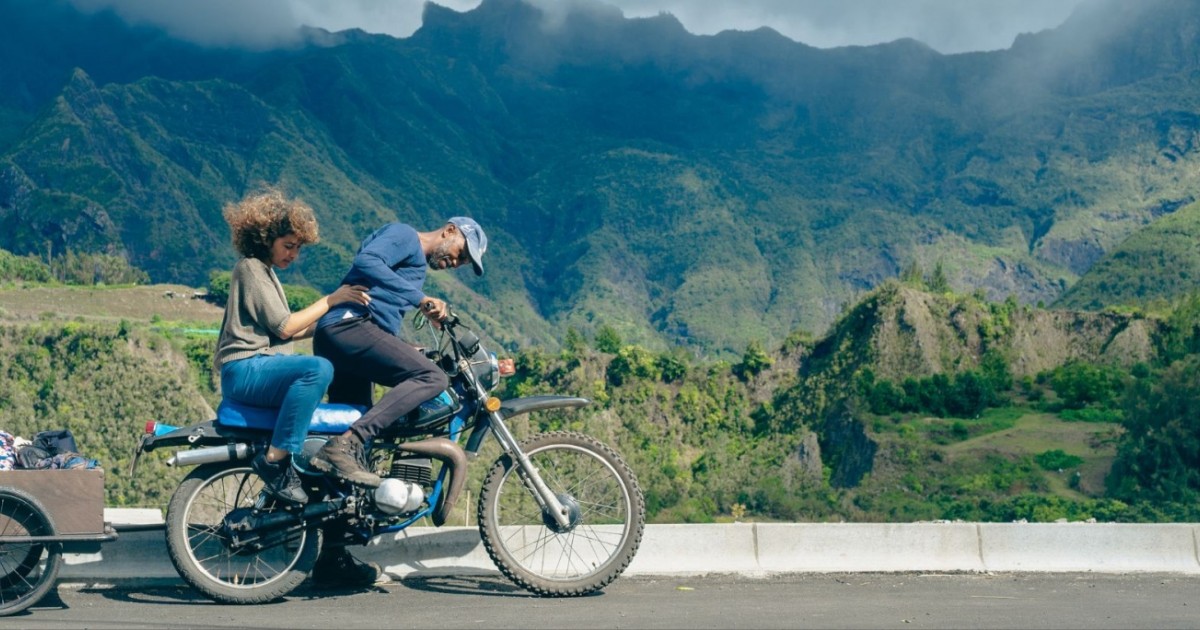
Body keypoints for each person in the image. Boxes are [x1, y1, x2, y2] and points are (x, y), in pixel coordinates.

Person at [213, 187, 370, 505]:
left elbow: (284, 333)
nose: (293, 255)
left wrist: (337, 322)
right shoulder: (251, 269)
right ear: (264, 238)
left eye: (297, 248)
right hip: (244, 368)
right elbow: (285, 325)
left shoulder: (267, 273)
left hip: (256, 367)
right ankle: (276, 461)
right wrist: (330, 300)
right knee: (318, 369)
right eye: (288, 246)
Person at [308, 217, 488, 488]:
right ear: (450, 230)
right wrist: (421, 299)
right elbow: (367, 261)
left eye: (463, 263)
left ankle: (338, 514)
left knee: (355, 429)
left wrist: (404, 345)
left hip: (348, 333)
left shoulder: (414, 263)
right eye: (461, 253)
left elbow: (381, 311)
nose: (457, 263)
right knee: (433, 378)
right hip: (349, 325)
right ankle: (346, 444)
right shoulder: (405, 235)